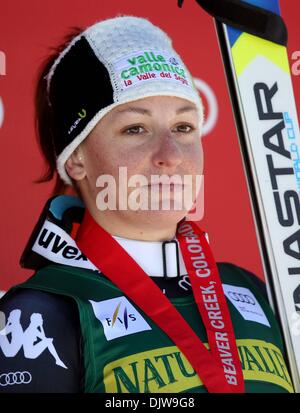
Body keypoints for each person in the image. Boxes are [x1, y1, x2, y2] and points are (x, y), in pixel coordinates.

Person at [0, 16, 294, 393]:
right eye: (135, 129)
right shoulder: (40, 312)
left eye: (184, 127)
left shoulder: (255, 290)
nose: (170, 155)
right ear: (76, 159)